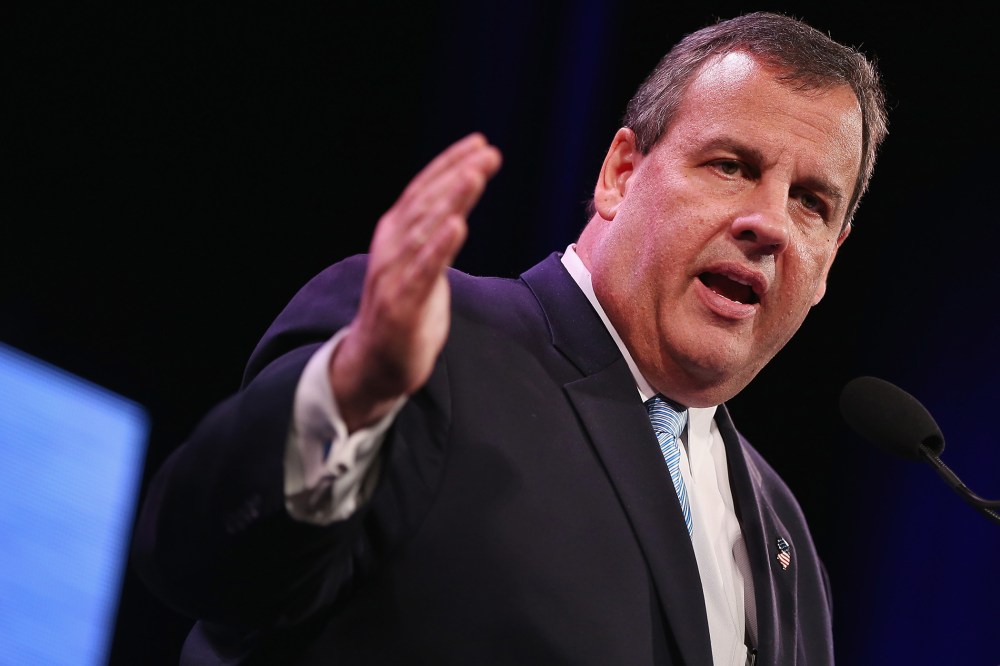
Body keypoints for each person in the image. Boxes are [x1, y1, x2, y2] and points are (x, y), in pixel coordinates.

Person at [133, 10, 888, 666]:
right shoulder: (426, 346)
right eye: (731, 166)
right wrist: (354, 391)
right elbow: (205, 564)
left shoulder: (785, 537)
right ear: (622, 173)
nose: (769, 224)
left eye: (810, 202)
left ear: (830, 261)